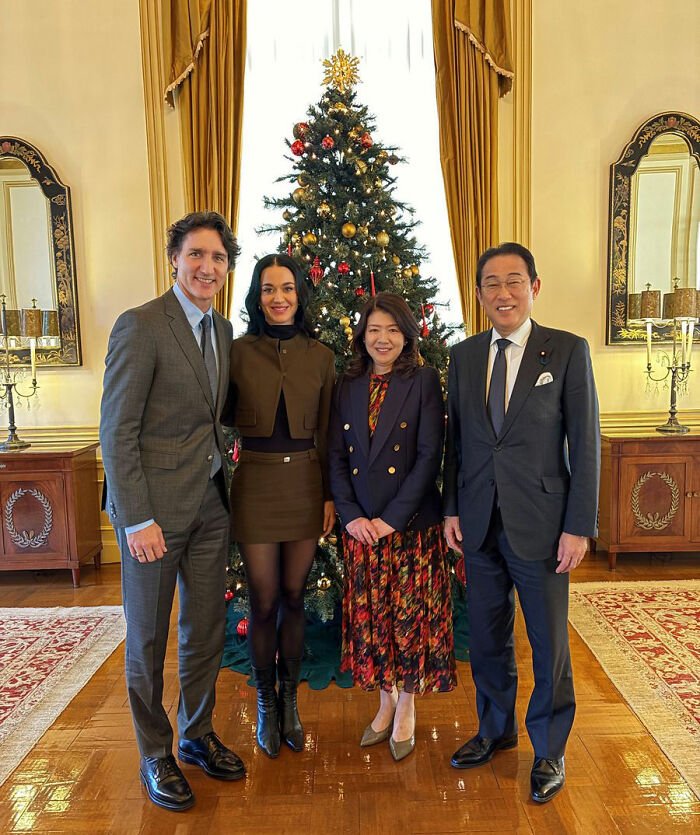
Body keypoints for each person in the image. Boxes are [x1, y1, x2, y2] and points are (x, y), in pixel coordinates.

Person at [443, 243, 600, 802]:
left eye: (514, 281)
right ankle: (494, 729)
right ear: (480, 293)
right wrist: (451, 508)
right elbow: (456, 444)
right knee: (487, 639)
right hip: (480, 523)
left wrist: (579, 526)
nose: (502, 293)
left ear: (535, 286)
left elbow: (584, 446)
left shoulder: (566, 351)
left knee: (548, 642)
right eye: (491, 283)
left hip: (544, 526)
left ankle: (550, 748)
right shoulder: (462, 357)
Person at [100, 211, 245, 812]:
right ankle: (155, 752)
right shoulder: (141, 326)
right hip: (153, 515)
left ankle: (196, 733)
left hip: (212, 506)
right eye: (196, 256)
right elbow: (117, 430)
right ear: (174, 260)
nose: (207, 267)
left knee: (205, 629)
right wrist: (136, 518)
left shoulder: (224, 330)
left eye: (217, 258)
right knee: (148, 637)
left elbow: (215, 416)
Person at [328, 292, 456, 762]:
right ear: (362, 335)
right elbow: (336, 458)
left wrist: (389, 520)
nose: (383, 340)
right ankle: (383, 703)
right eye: (375, 330)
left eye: (393, 331)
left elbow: (429, 457)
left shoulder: (422, 380)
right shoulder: (347, 384)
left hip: (409, 528)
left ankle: (406, 705)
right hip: (362, 530)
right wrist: (352, 516)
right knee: (375, 623)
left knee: (407, 623)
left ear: (407, 335)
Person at [227, 252, 335, 759]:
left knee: (295, 595)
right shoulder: (236, 352)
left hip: (307, 485)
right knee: (264, 599)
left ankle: (291, 700)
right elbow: (217, 415)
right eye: (269, 289)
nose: (278, 298)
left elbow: (333, 432)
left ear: (300, 294)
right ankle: (266, 702)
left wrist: (332, 495)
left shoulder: (322, 355)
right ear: (256, 295)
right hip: (255, 485)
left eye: (287, 288)